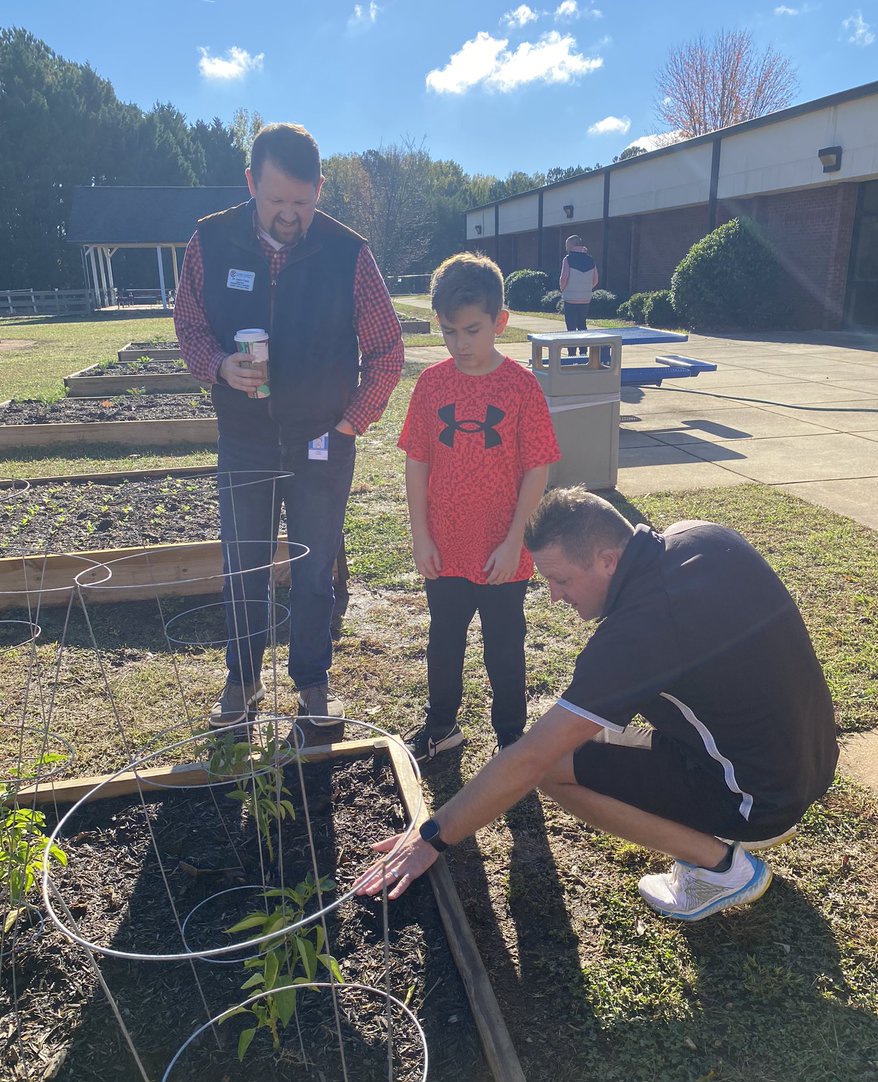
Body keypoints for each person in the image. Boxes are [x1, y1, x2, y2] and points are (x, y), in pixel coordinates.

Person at [357, 487, 838, 921]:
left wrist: (431, 839)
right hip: (812, 761)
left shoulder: (636, 634)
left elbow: (530, 760)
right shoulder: (700, 536)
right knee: (579, 738)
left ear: (608, 560)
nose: (555, 596)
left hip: (760, 800)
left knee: (550, 768)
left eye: (561, 580)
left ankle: (722, 869)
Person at [175, 122, 403, 732]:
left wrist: (353, 421)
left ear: (319, 190)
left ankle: (311, 683)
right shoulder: (210, 241)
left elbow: (387, 350)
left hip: (323, 438)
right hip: (244, 438)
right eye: (276, 201)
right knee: (243, 564)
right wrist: (219, 365)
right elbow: (190, 325)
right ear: (251, 183)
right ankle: (243, 680)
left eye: (302, 202)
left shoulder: (349, 253)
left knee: (314, 566)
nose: (289, 215)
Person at [400, 252, 560, 763]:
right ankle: (442, 726)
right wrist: (421, 535)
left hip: (502, 551)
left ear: (500, 322)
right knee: (444, 644)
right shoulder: (431, 384)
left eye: (472, 330)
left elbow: (539, 468)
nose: (460, 344)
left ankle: (511, 739)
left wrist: (515, 540)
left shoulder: (521, 386)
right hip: (444, 548)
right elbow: (418, 462)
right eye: (449, 332)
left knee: (505, 650)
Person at [559, 234, 598, 355]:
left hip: (570, 298)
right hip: (585, 299)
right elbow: (595, 279)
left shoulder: (568, 259)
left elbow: (564, 278)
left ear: (572, 245)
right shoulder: (590, 259)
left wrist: (563, 289)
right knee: (582, 325)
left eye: (567, 245)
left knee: (571, 327)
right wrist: (586, 289)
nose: (566, 247)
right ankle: (583, 352)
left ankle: (571, 353)